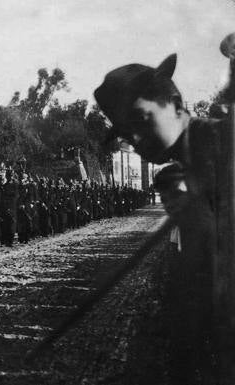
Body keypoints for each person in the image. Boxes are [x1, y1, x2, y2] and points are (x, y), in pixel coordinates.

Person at [94, 53, 231, 383]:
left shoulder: (225, 145)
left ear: (175, 103)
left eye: (142, 120)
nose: (137, 140)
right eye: (127, 133)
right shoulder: (188, 165)